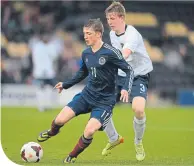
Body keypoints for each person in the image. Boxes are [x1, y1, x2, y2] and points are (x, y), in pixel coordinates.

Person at [37, 18, 134, 163]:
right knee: (59, 120)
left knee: (89, 131)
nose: (85, 36)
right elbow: (82, 73)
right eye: (84, 33)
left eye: (89, 33)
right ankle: (51, 132)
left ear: (99, 34)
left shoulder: (110, 52)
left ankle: (72, 155)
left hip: (105, 101)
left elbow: (129, 70)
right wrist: (65, 84)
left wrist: (126, 88)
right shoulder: (86, 53)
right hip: (86, 95)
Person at [101, 2, 153, 161]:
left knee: (138, 109)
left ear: (121, 18)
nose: (109, 21)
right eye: (108, 18)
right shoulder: (111, 34)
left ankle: (138, 142)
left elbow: (124, 53)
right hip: (122, 75)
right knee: (100, 106)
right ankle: (113, 138)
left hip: (139, 75)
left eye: (112, 18)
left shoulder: (132, 34)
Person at [30, 33, 59, 112]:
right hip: (39, 72)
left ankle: (49, 104)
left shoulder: (50, 46)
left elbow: (55, 57)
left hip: (49, 72)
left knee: (54, 88)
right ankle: (41, 106)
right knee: (40, 89)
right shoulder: (38, 46)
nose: (46, 38)